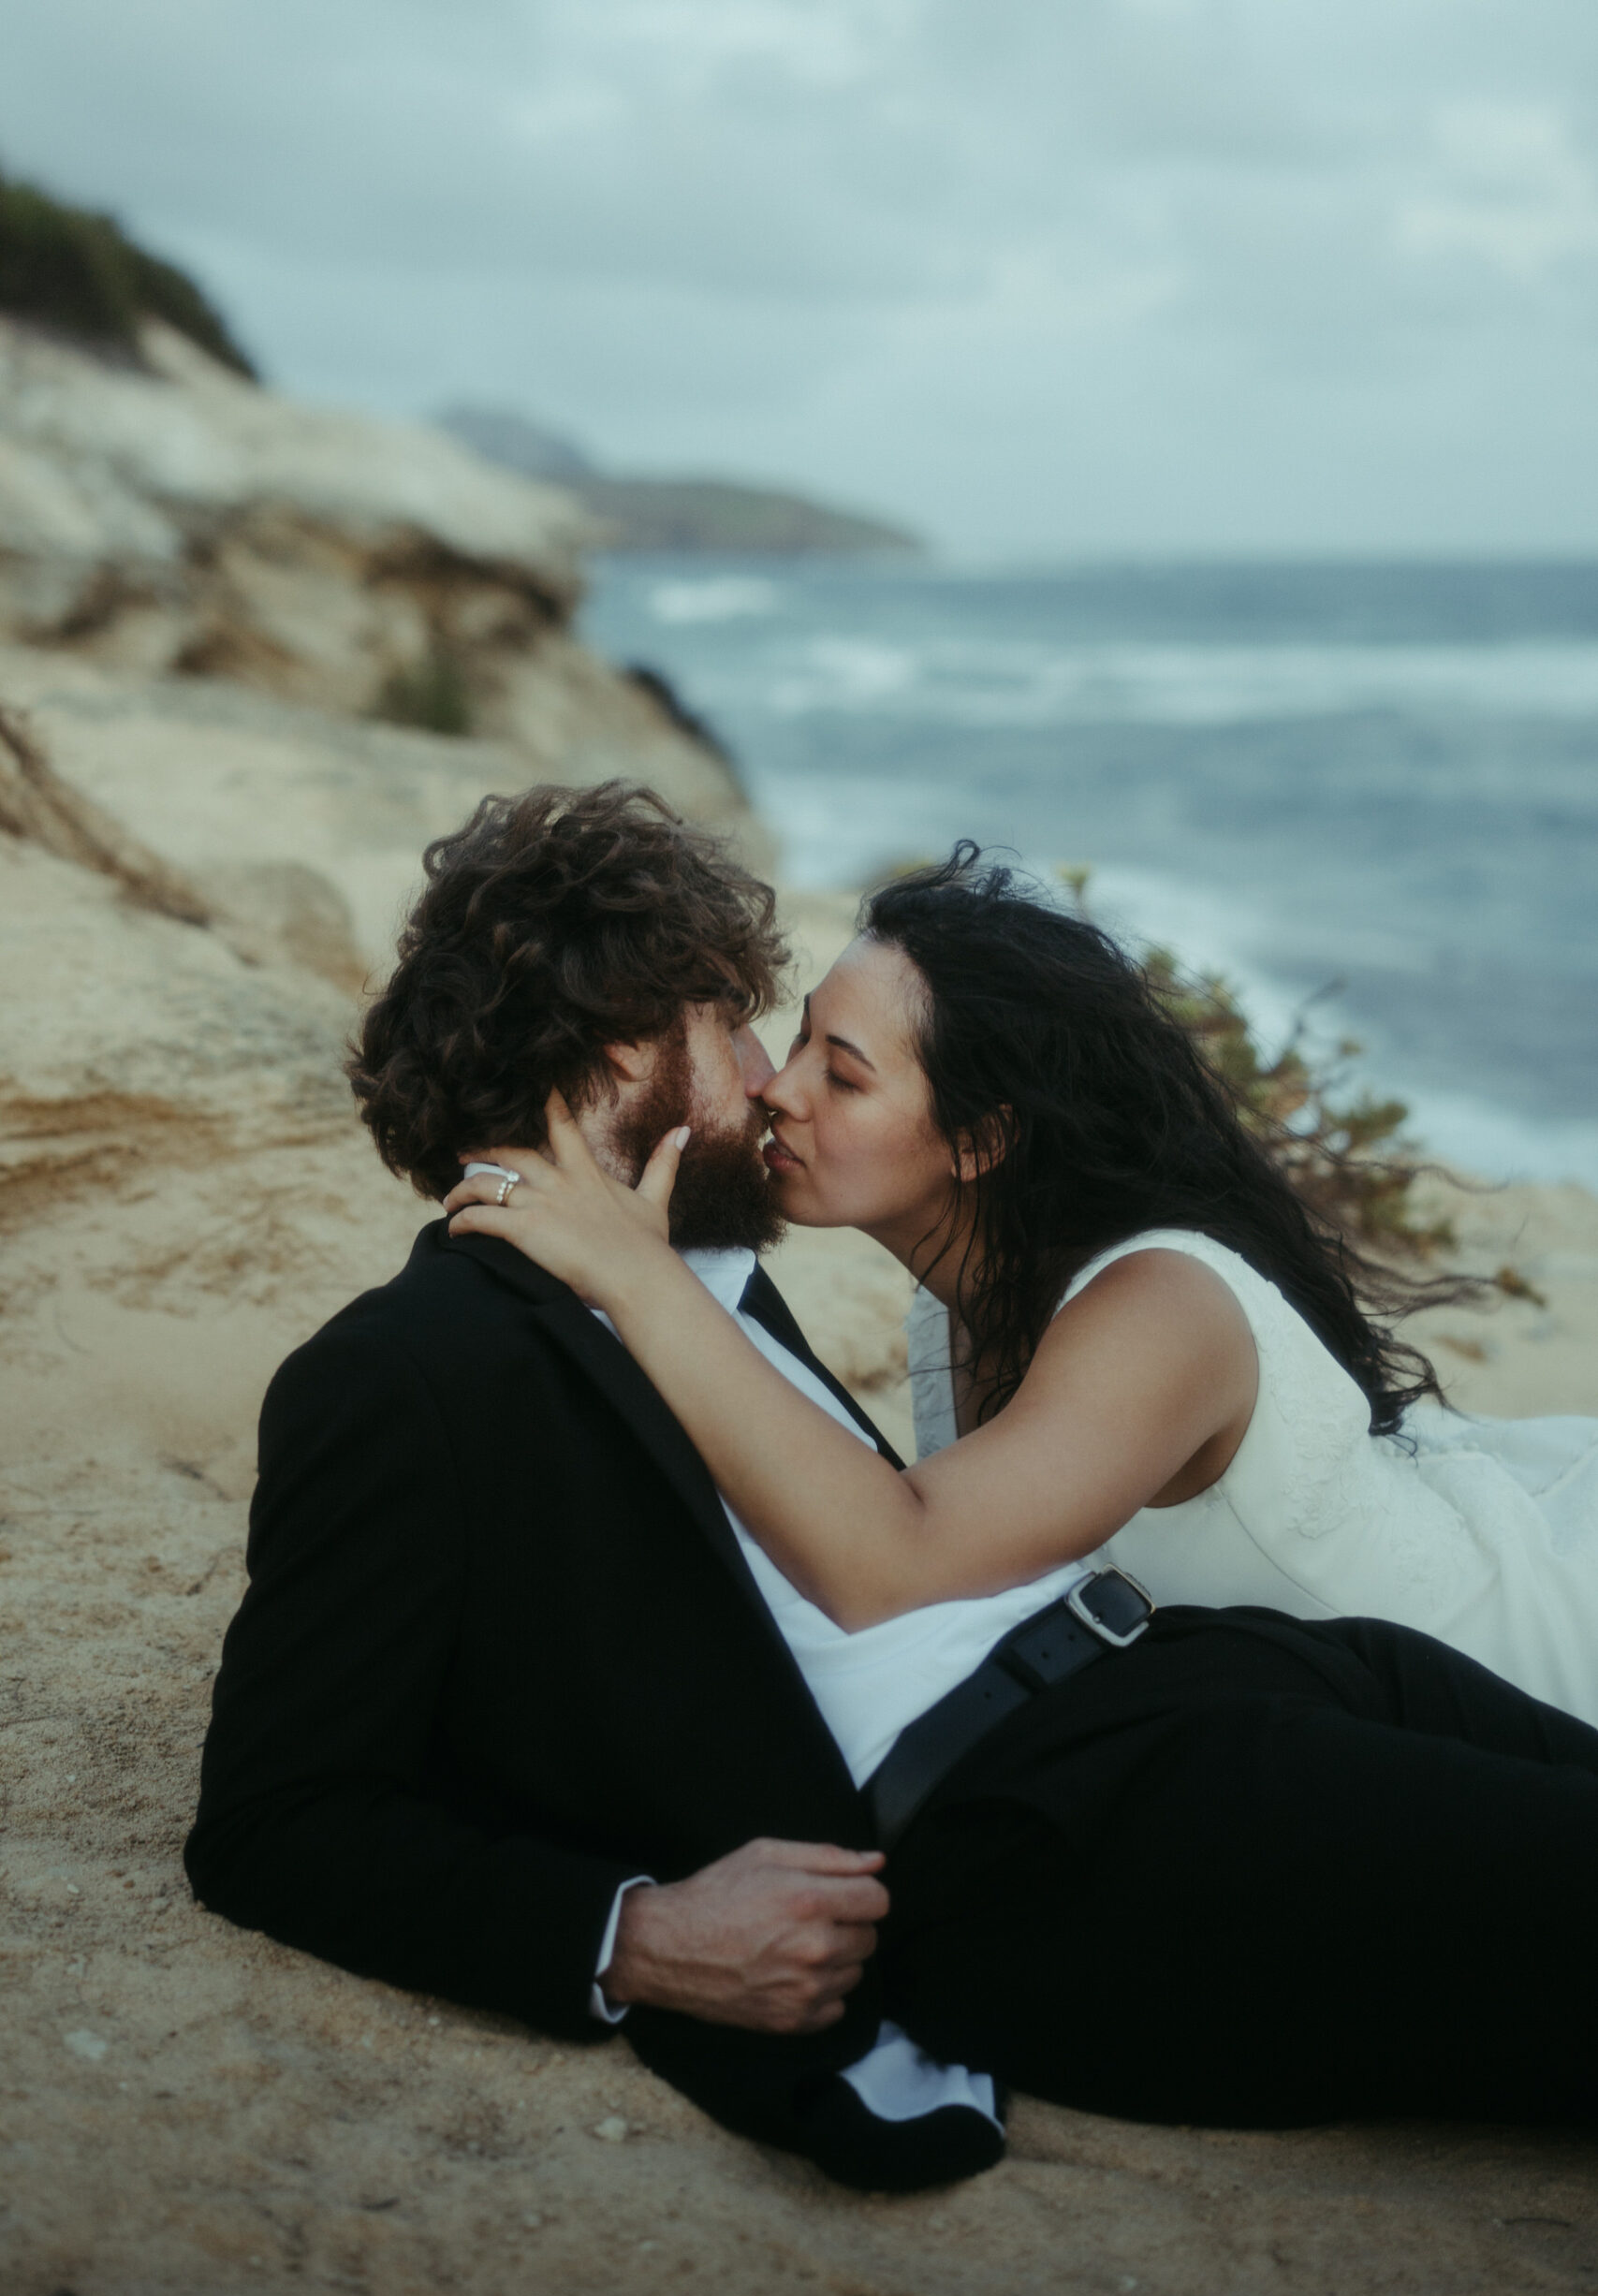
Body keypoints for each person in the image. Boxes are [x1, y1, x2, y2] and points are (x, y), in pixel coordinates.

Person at [189, 788, 1598, 2194]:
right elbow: (275, 1818)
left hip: (1215, 1674)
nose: (762, 1078)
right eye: (733, 1027)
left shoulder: (705, 1279)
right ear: (626, 1053)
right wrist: (637, 1933)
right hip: (1059, 1830)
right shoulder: (409, 1369)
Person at [455, 844, 1598, 1729]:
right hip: (1341, 1735)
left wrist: (637, 1274)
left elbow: (894, 1565)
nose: (777, 1091)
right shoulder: (954, 1303)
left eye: (841, 1077)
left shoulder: (1159, 1309)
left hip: (1545, 1690)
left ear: (980, 1141)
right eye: (796, 1043)